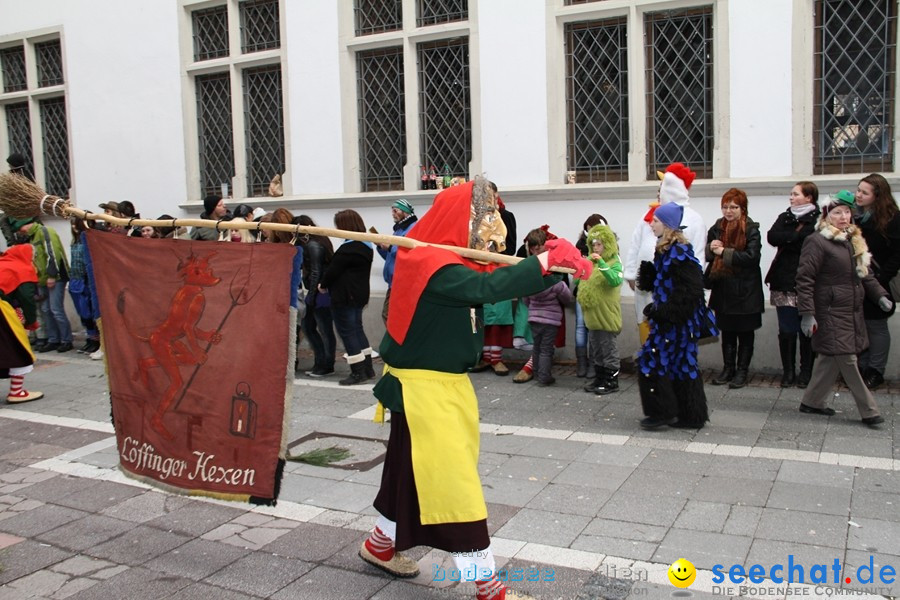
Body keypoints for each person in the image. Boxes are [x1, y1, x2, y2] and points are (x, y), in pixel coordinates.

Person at [359, 176, 590, 600]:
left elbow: (487, 272)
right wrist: (541, 263)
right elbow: (485, 288)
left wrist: (554, 263)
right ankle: (488, 586)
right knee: (454, 483)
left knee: (405, 472)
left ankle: (379, 543)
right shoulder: (430, 265)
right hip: (424, 392)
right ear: (458, 220)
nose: (488, 230)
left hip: (435, 388)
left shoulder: (443, 258)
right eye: (482, 219)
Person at [796, 190, 893, 427]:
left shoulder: (852, 239)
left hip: (849, 309)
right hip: (828, 310)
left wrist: (880, 295)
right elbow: (805, 278)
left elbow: (864, 273)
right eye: (837, 212)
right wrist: (807, 314)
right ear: (827, 216)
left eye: (847, 212)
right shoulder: (817, 241)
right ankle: (869, 410)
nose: (843, 216)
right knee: (848, 359)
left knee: (831, 356)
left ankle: (812, 401)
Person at [636, 202, 712, 430]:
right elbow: (667, 284)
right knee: (680, 365)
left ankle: (662, 412)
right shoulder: (666, 250)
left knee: (651, 361)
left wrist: (663, 312)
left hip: (675, 322)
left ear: (668, 225)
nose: (651, 223)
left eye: (656, 221)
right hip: (671, 321)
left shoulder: (678, 252)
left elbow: (692, 290)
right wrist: (649, 275)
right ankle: (690, 415)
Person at [705, 188, 764, 389]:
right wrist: (711, 248)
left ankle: (742, 371)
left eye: (733, 207)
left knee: (745, 332)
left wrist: (724, 252)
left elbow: (752, 257)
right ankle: (728, 368)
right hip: (723, 287)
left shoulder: (751, 228)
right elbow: (708, 254)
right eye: (725, 206)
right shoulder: (717, 227)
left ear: (742, 208)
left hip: (746, 289)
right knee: (727, 331)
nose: (728, 211)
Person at [765, 181, 821, 388]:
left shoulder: (818, 218)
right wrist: (794, 237)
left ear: (809, 197)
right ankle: (788, 372)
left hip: (808, 281)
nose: (791, 197)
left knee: (807, 331)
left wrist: (789, 239)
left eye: (795, 194)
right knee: (787, 329)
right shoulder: (785, 216)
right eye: (791, 194)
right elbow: (772, 237)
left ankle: (806, 372)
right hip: (783, 280)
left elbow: (810, 240)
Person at [853, 173, 900, 389]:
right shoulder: (854, 216)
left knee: (876, 325)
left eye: (864, 192)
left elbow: (897, 254)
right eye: (858, 190)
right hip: (856, 279)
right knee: (859, 323)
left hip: (879, 280)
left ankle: (875, 370)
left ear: (877, 195)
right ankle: (861, 367)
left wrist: (881, 278)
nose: (859, 195)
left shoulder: (892, 219)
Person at [319, 209, 375, 386]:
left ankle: (357, 372)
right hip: (359, 294)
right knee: (357, 329)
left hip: (345, 296)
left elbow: (332, 271)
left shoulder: (348, 248)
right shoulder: (366, 245)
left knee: (348, 332)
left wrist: (323, 284)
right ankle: (368, 368)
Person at [472, 183, 518, 376]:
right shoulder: (474, 218)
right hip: (479, 270)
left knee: (497, 316)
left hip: (498, 270)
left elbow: (511, 246)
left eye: (490, 194)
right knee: (480, 316)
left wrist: (493, 250)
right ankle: (484, 357)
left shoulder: (506, 216)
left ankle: (496, 359)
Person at [12, 218, 73, 353]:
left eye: (20, 229)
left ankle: (66, 340)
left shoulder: (45, 231)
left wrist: (52, 275)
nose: (20, 232)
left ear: (25, 225)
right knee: (45, 310)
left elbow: (53, 253)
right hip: (41, 279)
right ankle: (53, 339)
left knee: (56, 309)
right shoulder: (32, 236)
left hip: (55, 277)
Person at [522, 230, 574, 386]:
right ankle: (544, 377)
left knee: (536, 347)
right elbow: (566, 297)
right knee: (546, 349)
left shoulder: (529, 277)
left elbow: (525, 298)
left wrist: (531, 307)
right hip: (551, 320)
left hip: (533, 318)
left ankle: (537, 373)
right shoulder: (555, 281)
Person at [579, 223, 624, 395]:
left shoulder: (615, 262)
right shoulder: (591, 261)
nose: (596, 248)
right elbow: (581, 281)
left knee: (608, 349)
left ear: (608, 244)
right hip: (592, 316)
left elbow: (615, 280)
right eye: (593, 244)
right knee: (596, 349)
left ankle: (611, 381)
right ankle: (599, 378)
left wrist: (602, 263)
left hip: (606, 315)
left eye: (599, 244)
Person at [0, 244, 43, 403]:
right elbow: (27, 299)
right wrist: (31, 323)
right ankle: (16, 391)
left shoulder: (3, 263)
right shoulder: (22, 269)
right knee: (18, 348)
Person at [296, 215, 337, 378]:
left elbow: (315, 271)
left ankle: (326, 364)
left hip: (320, 293)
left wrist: (311, 296)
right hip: (319, 291)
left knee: (322, 328)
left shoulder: (313, 245)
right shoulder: (318, 241)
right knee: (312, 327)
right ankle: (322, 362)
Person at [574, 214, 607, 378]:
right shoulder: (580, 245)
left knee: (593, 326)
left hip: (599, 292)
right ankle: (581, 363)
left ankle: (594, 363)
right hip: (582, 290)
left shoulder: (608, 246)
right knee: (581, 326)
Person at [376, 199, 417, 323]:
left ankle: (399, 342)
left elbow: (410, 251)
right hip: (395, 281)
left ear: (405, 211)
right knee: (392, 316)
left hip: (403, 281)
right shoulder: (399, 230)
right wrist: (380, 246)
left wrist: (389, 247)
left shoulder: (413, 228)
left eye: (395, 210)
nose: (393, 213)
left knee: (390, 316)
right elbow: (391, 257)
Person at [69, 218, 100, 354]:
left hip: (86, 280)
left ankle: (96, 340)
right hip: (76, 279)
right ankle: (90, 337)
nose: (74, 227)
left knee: (89, 311)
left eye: (76, 224)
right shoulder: (74, 242)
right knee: (82, 312)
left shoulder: (88, 241)